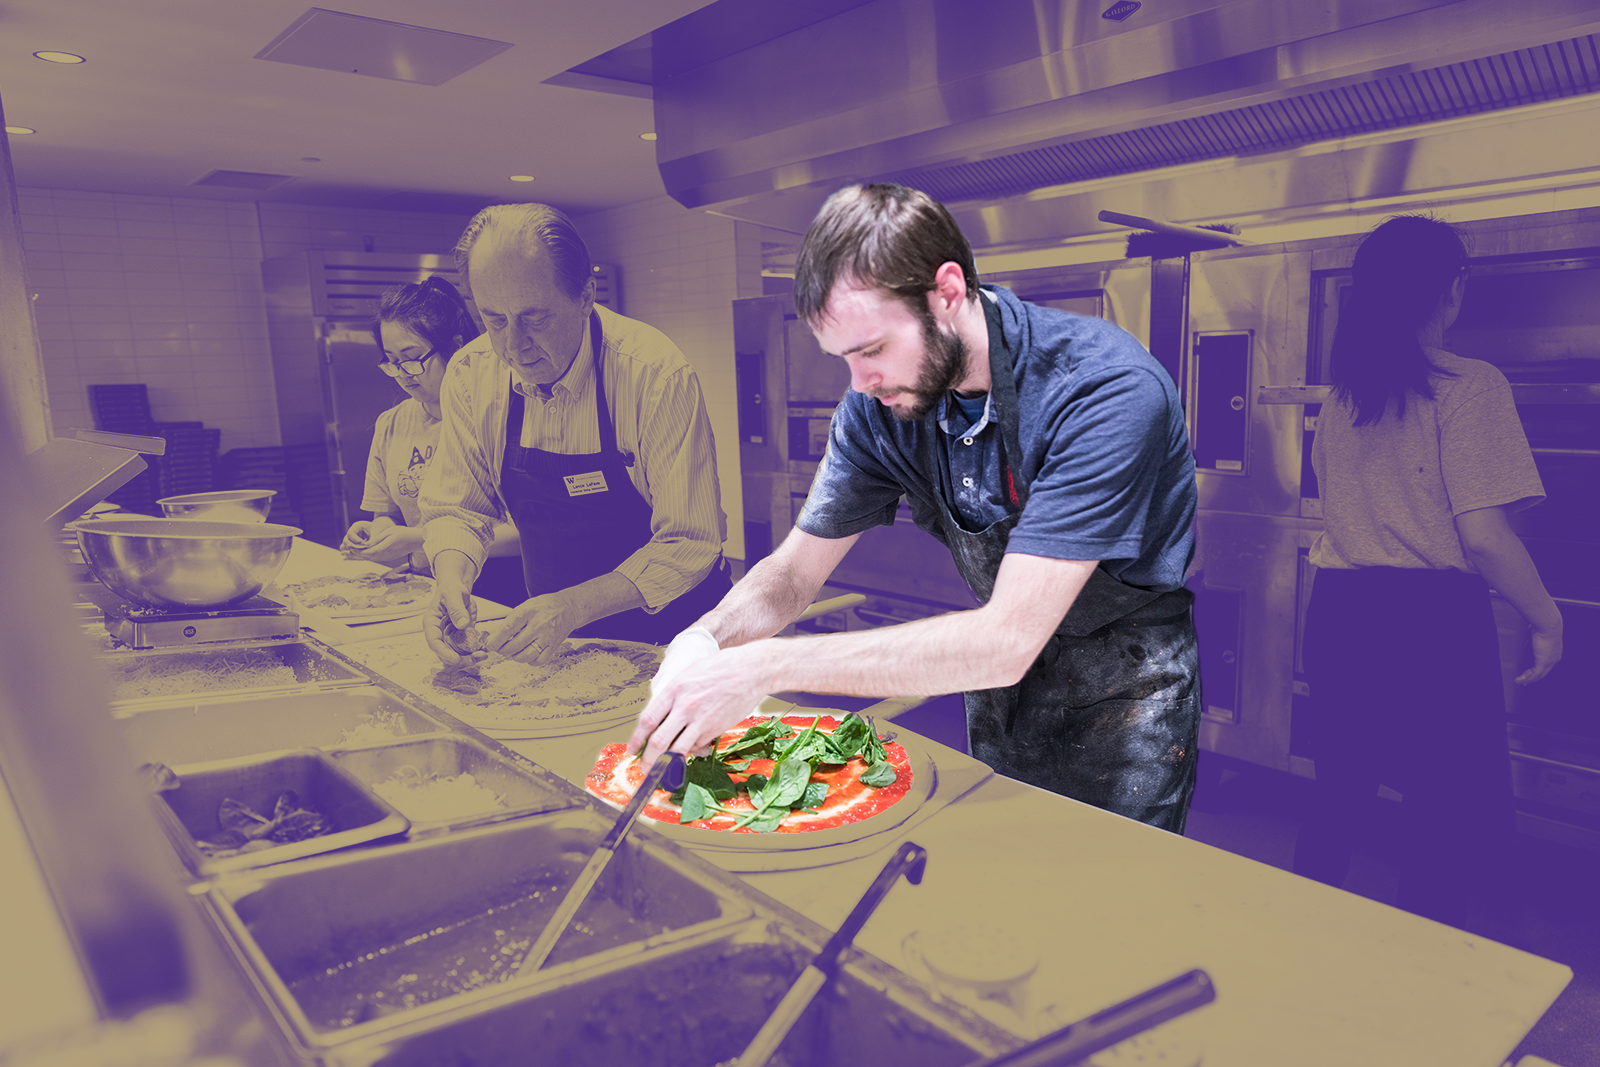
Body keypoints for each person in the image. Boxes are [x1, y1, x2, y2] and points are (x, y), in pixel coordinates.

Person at [631, 182, 1202, 832]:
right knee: (1006, 879)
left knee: (1109, 903)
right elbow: (792, 574)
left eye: (872, 349)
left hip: (1125, 692)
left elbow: (1009, 636)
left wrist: (767, 664)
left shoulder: (1104, 391)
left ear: (948, 293)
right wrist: (704, 639)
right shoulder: (879, 406)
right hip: (997, 686)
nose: (859, 382)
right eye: (844, 357)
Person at [1292, 214, 1561, 935]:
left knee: (1338, 796)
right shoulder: (1470, 385)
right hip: (1432, 620)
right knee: (1442, 816)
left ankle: (1286, 947)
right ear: (1453, 289)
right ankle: (1422, 988)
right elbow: (1486, 536)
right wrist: (1547, 619)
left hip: (1342, 611)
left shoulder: (1342, 398)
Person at [420, 203, 731, 666]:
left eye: (535, 318)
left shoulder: (652, 374)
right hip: (560, 647)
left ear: (585, 296)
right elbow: (458, 508)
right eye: (494, 320)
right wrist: (451, 579)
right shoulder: (470, 376)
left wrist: (573, 606)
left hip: (679, 636)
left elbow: (690, 540)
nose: (514, 346)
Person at [338, 277, 522, 598]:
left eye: (413, 358)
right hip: (425, 585)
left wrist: (419, 538)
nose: (404, 373)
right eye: (392, 362)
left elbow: (526, 533)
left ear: (455, 345)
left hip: (501, 588)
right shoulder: (392, 423)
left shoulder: (498, 414)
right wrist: (374, 532)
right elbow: (388, 515)